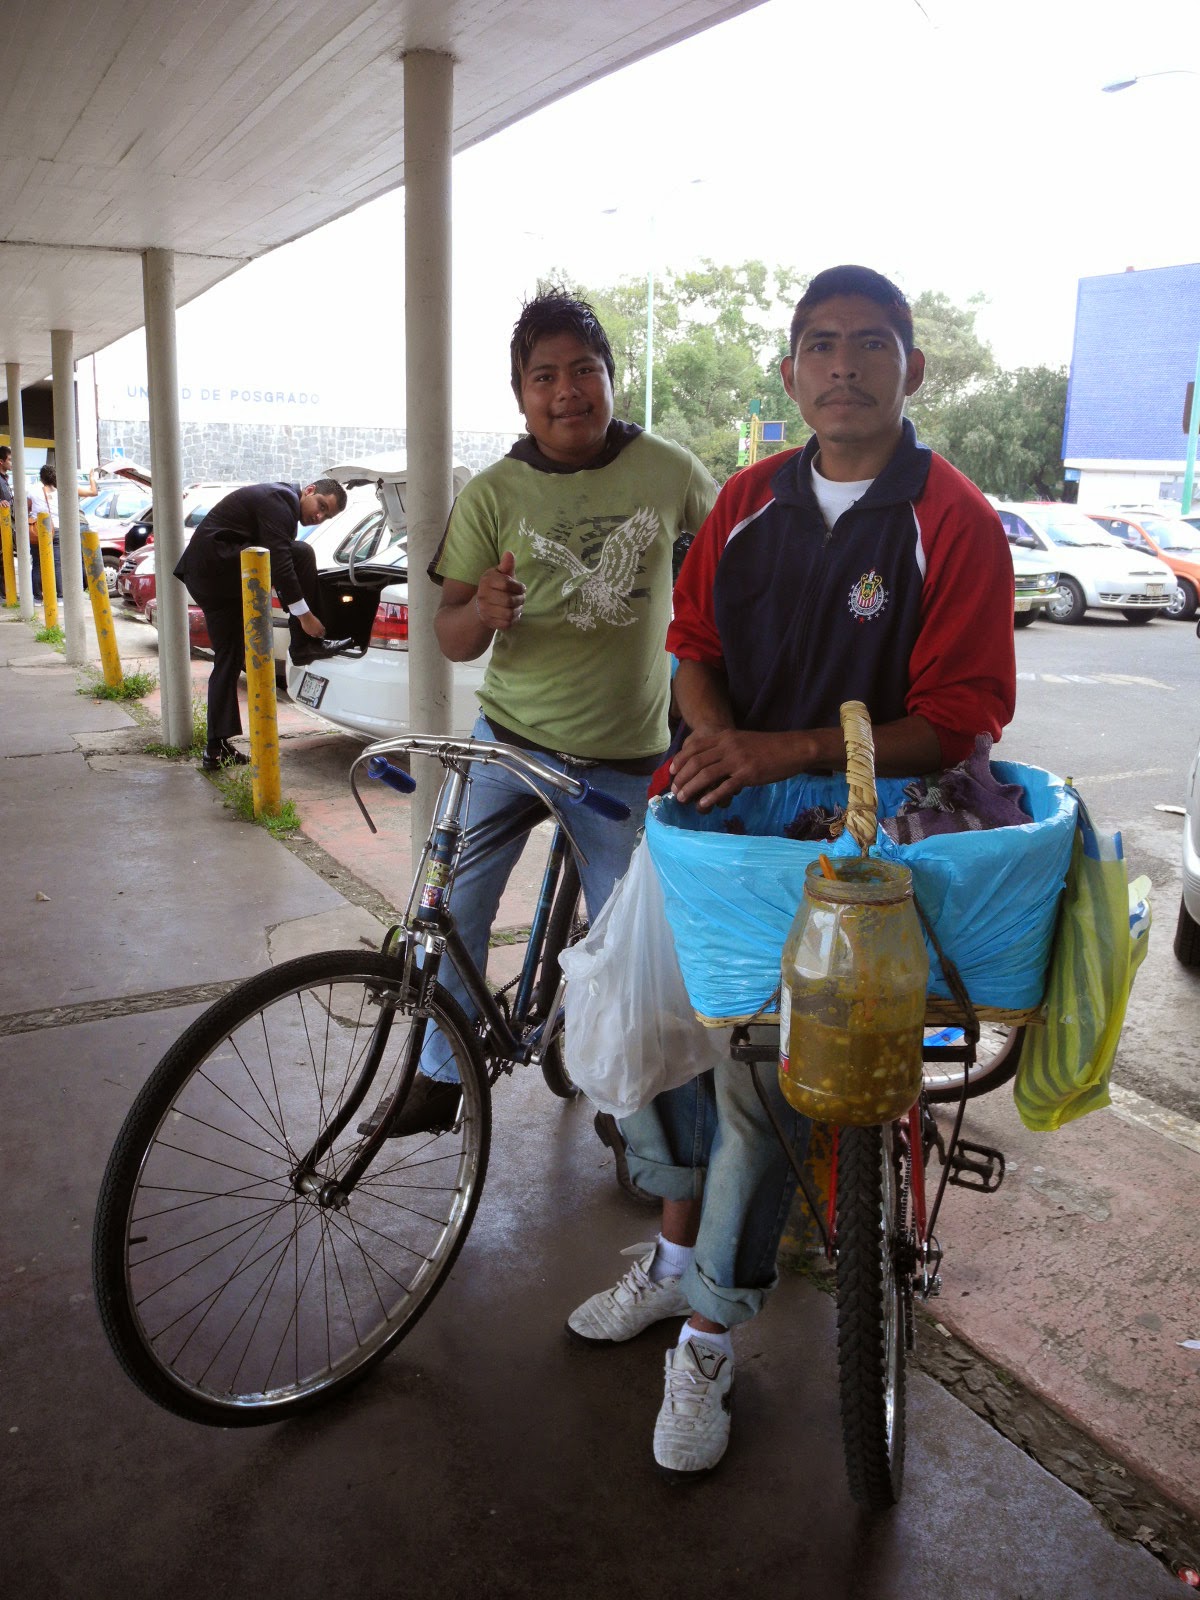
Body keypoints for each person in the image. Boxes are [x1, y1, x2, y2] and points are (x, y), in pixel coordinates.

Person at [566, 265, 1017, 1479]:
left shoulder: (954, 519)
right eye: (821, 346)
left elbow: (963, 719)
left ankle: (709, 1334)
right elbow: (692, 647)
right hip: (721, 810)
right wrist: (715, 739)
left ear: (913, 369)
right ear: (790, 373)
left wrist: (790, 747)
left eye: (872, 345)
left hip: (866, 837)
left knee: (766, 1078)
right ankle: (669, 1261)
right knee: (665, 1027)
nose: (845, 367)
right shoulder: (753, 498)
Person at [357, 289, 718, 1138]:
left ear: (611, 379)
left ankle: (640, 1112)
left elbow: (730, 559)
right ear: (520, 393)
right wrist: (481, 608)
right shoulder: (493, 494)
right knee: (451, 909)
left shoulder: (669, 470)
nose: (568, 392)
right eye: (545, 376)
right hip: (508, 746)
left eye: (585, 371)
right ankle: (444, 1079)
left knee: (640, 954)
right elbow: (448, 637)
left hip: (626, 762)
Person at [173, 478, 354, 771]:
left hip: (210, 576)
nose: (319, 516)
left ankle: (215, 747)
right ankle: (304, 644)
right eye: (321, 506)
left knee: (228, 659)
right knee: (300, 554)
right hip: (217, 567)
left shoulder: (279, 503)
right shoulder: (280, 499)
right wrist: (304, 615)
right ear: (308, 491)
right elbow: (280, 562)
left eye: (326, 516)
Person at [28, 465, 61, 601]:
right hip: (57, 528)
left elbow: (26, 507)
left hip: (39, 530)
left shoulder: (33, 491)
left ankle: (37, 597)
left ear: (41, 477)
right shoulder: (60, 492)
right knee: (57, 563)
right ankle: (60, 596)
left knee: (37, 563)